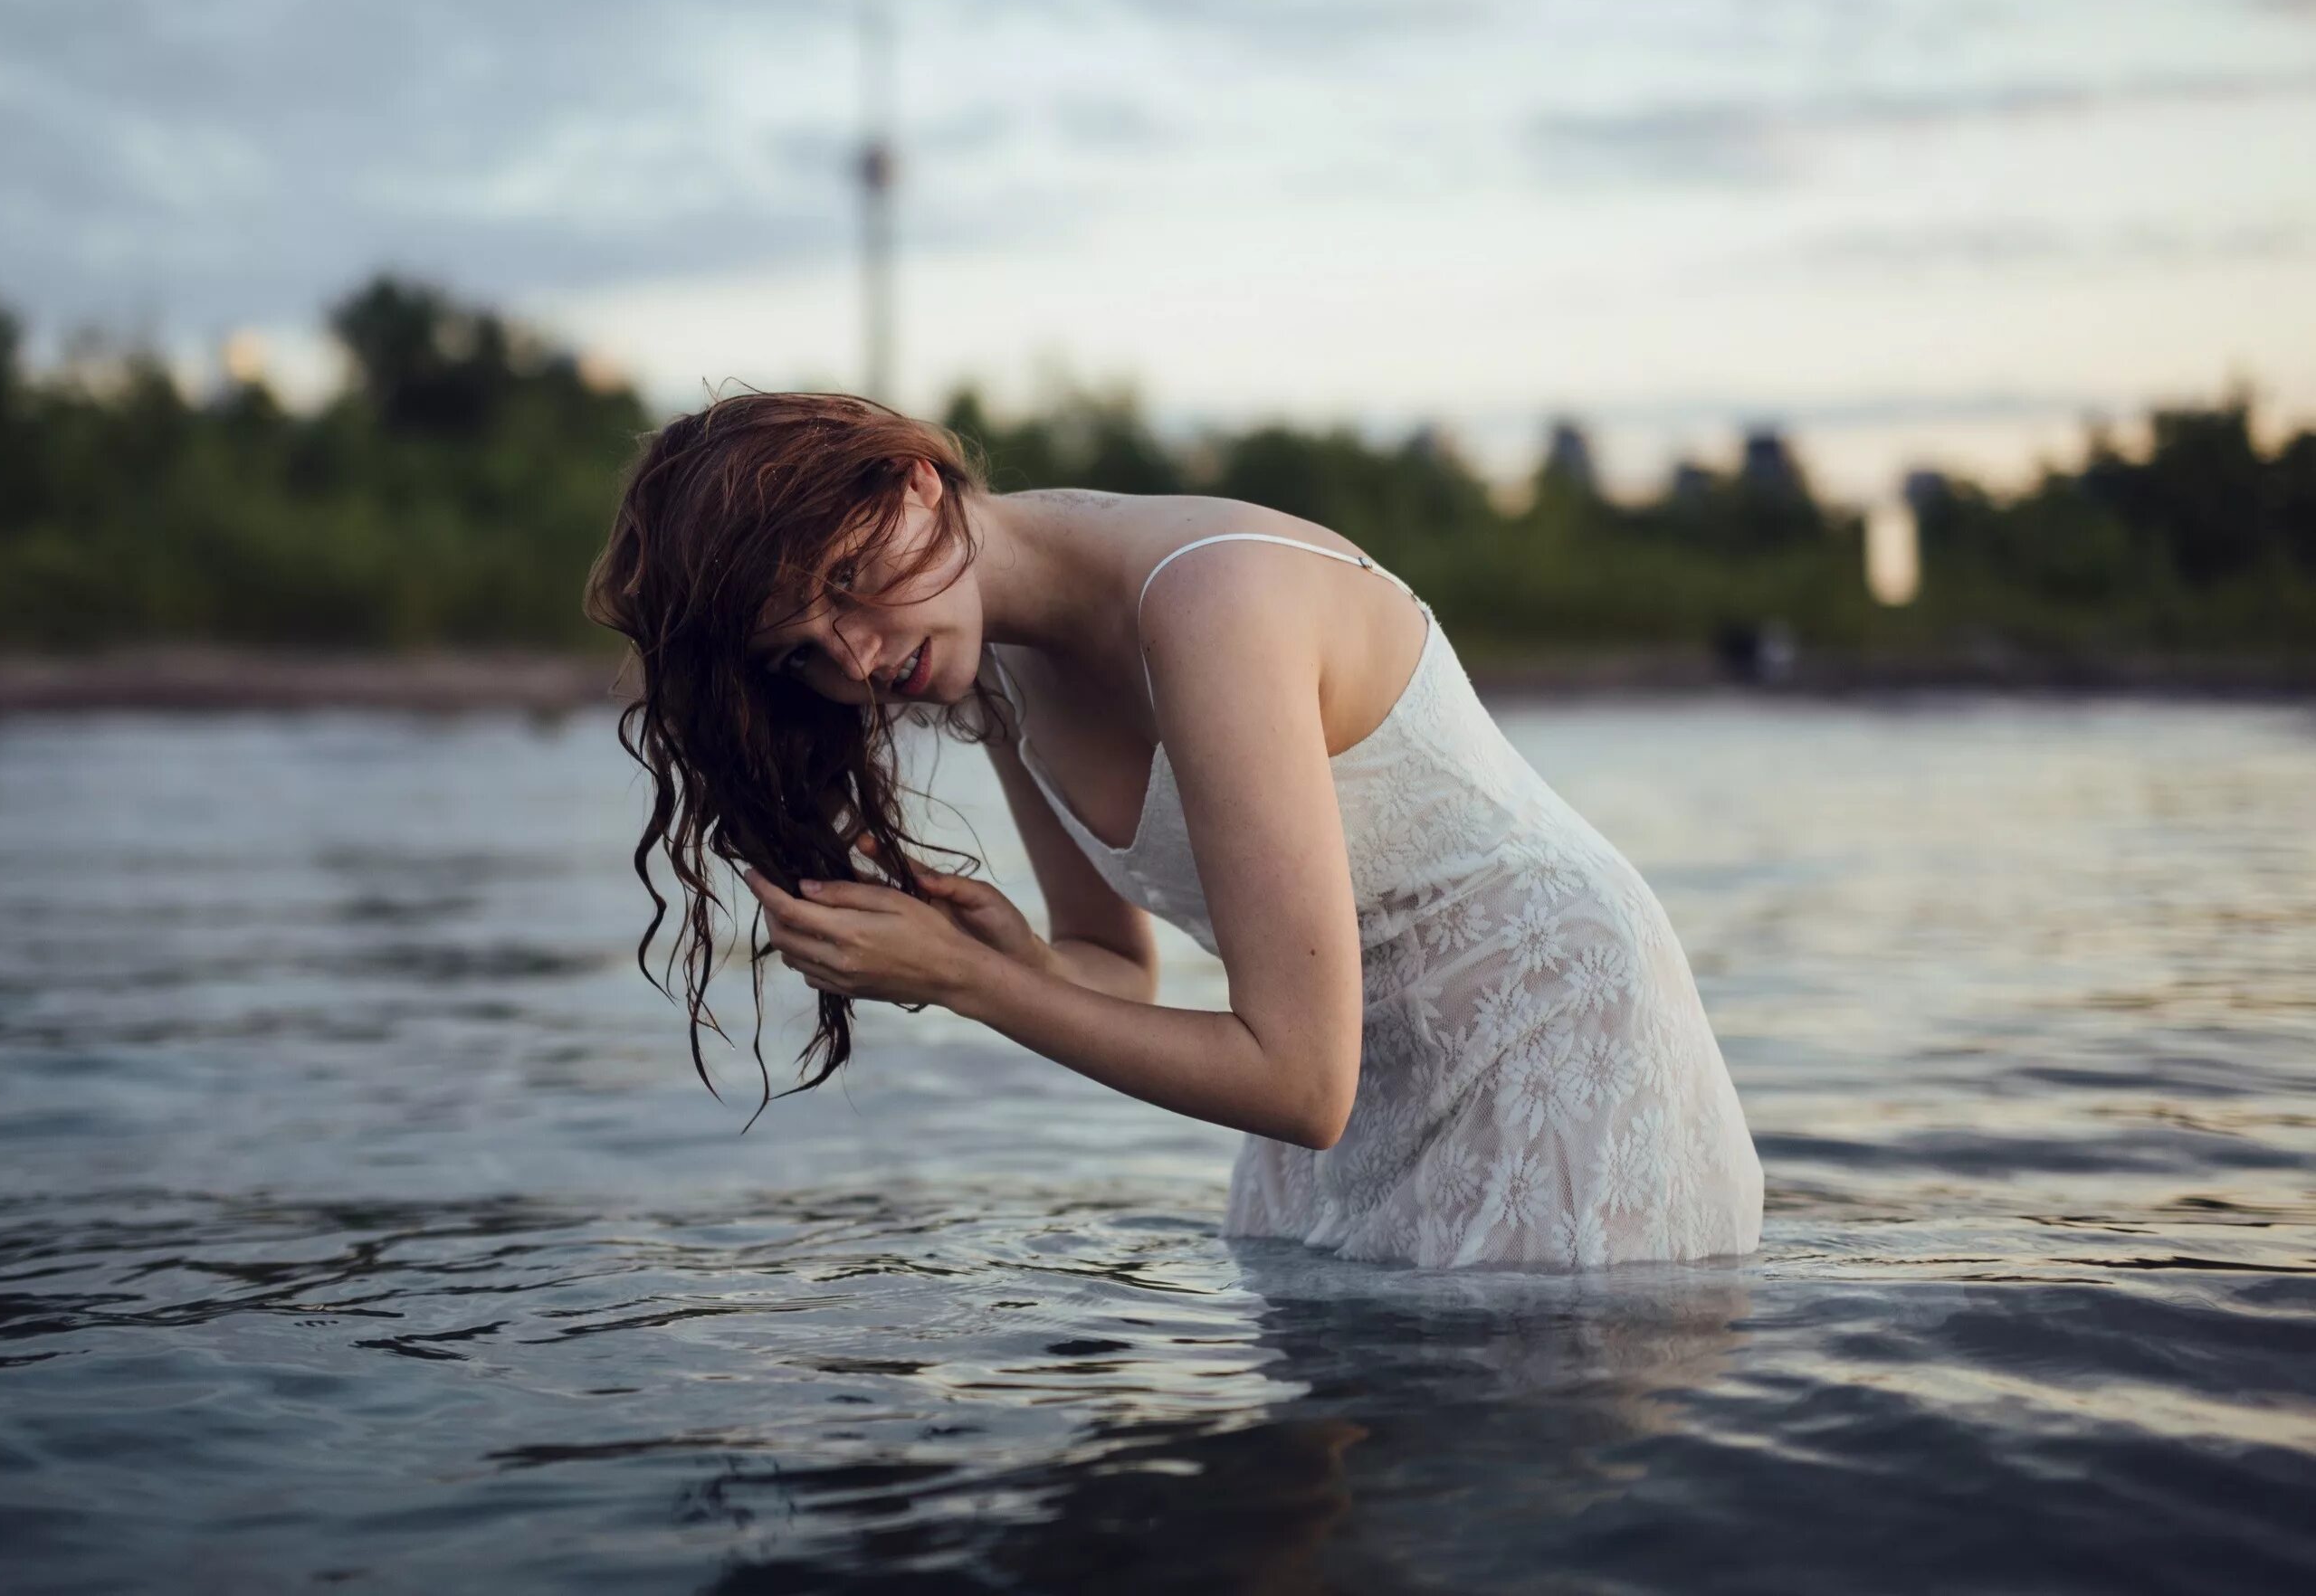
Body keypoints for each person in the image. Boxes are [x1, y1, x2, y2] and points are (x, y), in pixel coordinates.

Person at [585, 391, 1762, 1268]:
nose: (852, 658)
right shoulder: (980, 661)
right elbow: (1120, 974)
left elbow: (1301, 1082)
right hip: (1354, 1072)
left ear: (916, 484)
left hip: (1543, 1024)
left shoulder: (1212, 601)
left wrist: (966, 986)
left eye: (846, 580)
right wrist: (1018, 963)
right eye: (800, 651)